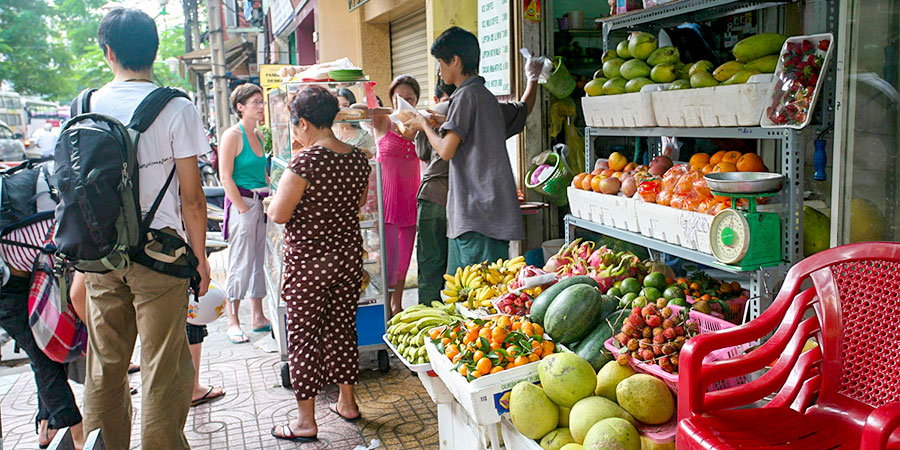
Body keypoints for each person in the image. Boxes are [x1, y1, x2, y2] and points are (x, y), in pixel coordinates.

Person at [80, 8, 211, 450]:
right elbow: (192, 199)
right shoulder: (177, 107)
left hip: (99, 255)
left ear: (109, 52)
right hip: (161, 257)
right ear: (155, 51)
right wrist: (201, 257)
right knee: (163, 365)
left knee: (104, 367)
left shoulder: (85, 105)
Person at [267, 86, 370, 442]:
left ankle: (305, 421)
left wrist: (271, 201)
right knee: (342, 327)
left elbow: (280, 214)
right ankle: (347, 402)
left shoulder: (304, 162)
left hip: (309, 265)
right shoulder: (358, 159)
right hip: (346, 259)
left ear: (305, 123)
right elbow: (356, 206)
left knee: (304, 337)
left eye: (295, 125)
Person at [405, 27, 542, 274]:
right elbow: (522, 110)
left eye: (440, 62)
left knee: (473, 296)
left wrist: (424, 125)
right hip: (486, 215)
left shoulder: (465, 96)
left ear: (455, 61)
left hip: (477, 217)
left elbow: (446, 151)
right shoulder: (483, 95)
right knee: (477, 291)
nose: (439, 70)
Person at [0, 267, 85, 449]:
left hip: (28, 283)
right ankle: (75, 434)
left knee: (47, 355)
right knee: (44, 361)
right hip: (12, 291)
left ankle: (49, 424)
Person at [218, 83, 271, 343]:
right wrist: (241, 207)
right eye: (255, 102)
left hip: (262, 203)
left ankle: (258, 316)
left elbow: (263, 172)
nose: (261, 107)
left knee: (258, 260)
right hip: (244, 204)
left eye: (262, 102)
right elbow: (225, 177)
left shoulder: (259, 134)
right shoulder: (233, 135)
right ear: (240, 107)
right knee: (240, 262)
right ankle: (233, 320)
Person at [371, 75, 421, 316]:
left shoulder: (422, 126)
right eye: (399, 97)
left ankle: (397, 305)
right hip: (387, 202)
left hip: (410, 200)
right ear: (392, 99)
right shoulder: (384, 122)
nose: (404, 101)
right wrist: (379, 100)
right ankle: (384, 307)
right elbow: (365, 110)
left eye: (409, 98)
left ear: (416, 100)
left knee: (404, 259)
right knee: (388, 259)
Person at [333, 88, 376, 156]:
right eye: (337, 106)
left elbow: (372, 156)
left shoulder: (363, 134)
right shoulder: (328, 131)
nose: (341, 109)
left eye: (345, 105)